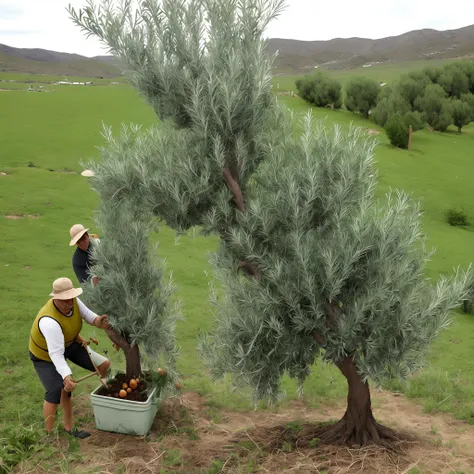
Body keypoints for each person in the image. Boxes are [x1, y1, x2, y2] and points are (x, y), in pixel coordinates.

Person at [29, 277, 111, 438]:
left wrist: (98, 321)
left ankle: (105, 405)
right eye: (64, 300)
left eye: (70, 298)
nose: (68, 303)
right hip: (44, 355)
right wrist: (67, 376)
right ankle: (50, 434)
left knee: (104, 365)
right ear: (55, 298)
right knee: (57, 389)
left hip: (69, 343)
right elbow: (56, 354)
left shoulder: (73, 302)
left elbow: (89, 316)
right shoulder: (49, 321)